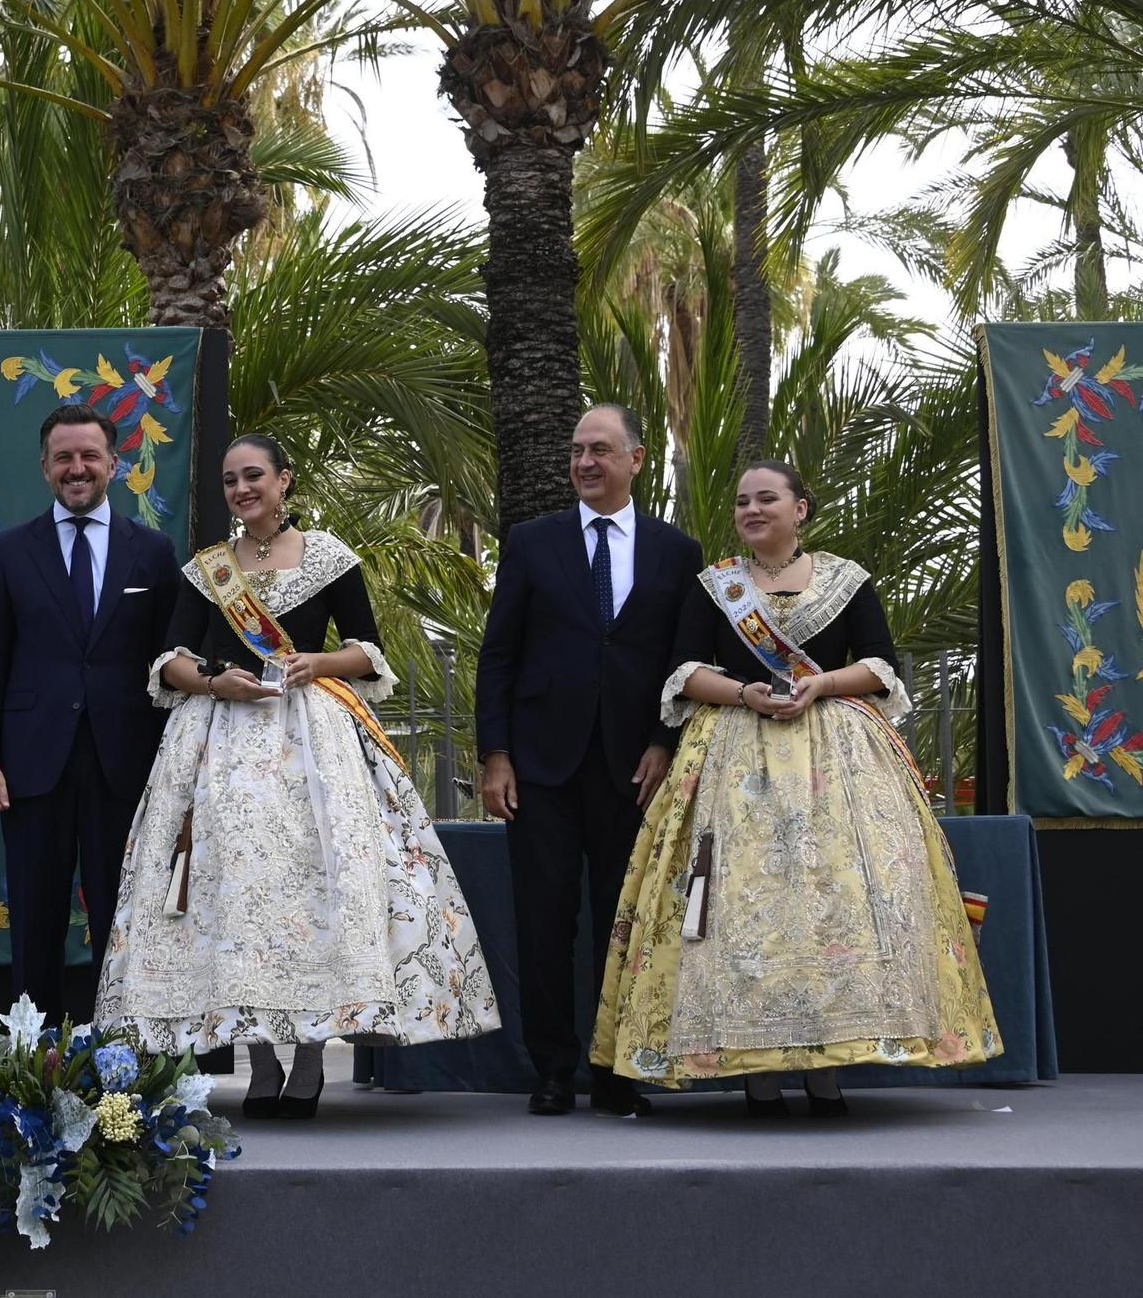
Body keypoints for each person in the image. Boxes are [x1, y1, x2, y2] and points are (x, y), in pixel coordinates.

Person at [94, 434, 499, 1121]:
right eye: (230, 479)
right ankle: (260, 1059)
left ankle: (309, 1054)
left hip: (313, 741)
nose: (242, 488)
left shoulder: (330, 558)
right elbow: (170, 661)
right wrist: (216, 681)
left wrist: (317, 663)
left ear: (285, 481)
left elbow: (368, 650)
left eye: (254, 475)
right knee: (235, 892)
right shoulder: (208, 569)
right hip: (218, 743)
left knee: (311, 884)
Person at [591, 461, 999, 1116]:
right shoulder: (714, 587)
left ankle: (827, 1072)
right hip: (731, 762)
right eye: (743, 500)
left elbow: (879, 666)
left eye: (768, 498)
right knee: (735, 904)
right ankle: (756, 1075)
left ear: (800, 508)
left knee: (836, 902)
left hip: (837, 762)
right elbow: (685, 671)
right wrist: (743, 691)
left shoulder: (846, 580)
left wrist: (821, 684)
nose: (752, 509)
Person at [476, 403, 704, 1117]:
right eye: (577, 450)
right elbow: (499, 656)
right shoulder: (531, 542)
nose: (584, 463)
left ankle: (615, 1069)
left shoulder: (678, 551)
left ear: (637, 459)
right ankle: (551, 1069)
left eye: (600, 450)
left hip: (635, 768)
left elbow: (683, 661)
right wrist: (495, 755)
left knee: (623, 920)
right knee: (544, 921)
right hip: (540, 764)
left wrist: (666, 743)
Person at [0, 404, 180, 1019]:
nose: (77, 468)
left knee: (125, 916)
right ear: (44, 467)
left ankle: (127, 1055)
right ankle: (34, 1060)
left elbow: (172, 666)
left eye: (89, 456)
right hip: (32, 766)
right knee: (35, 916)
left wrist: (173, 766)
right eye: (64, 457)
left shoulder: (154, 551)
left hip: (126, 764)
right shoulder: (8, 550)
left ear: (114, 463)